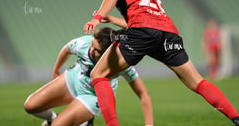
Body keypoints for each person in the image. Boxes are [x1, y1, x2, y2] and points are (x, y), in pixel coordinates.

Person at [83, 0, 239, 126]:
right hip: (167, 33)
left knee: (98, 75)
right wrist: (112, 19)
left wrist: (98, 17)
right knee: (197, 82)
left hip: (142, 33)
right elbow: (143, 21)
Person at [24, 27, 153, 126]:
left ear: (108, 53)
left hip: (93, 96)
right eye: (93, 45)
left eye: (97, 50)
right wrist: (56, 71)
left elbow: (143, 94)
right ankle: (53, 118)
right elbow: (66, 49)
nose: (91, 50)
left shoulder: (120, 63)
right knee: (30, 106)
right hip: (74, 79)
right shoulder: (84, 44)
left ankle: (84, 119)